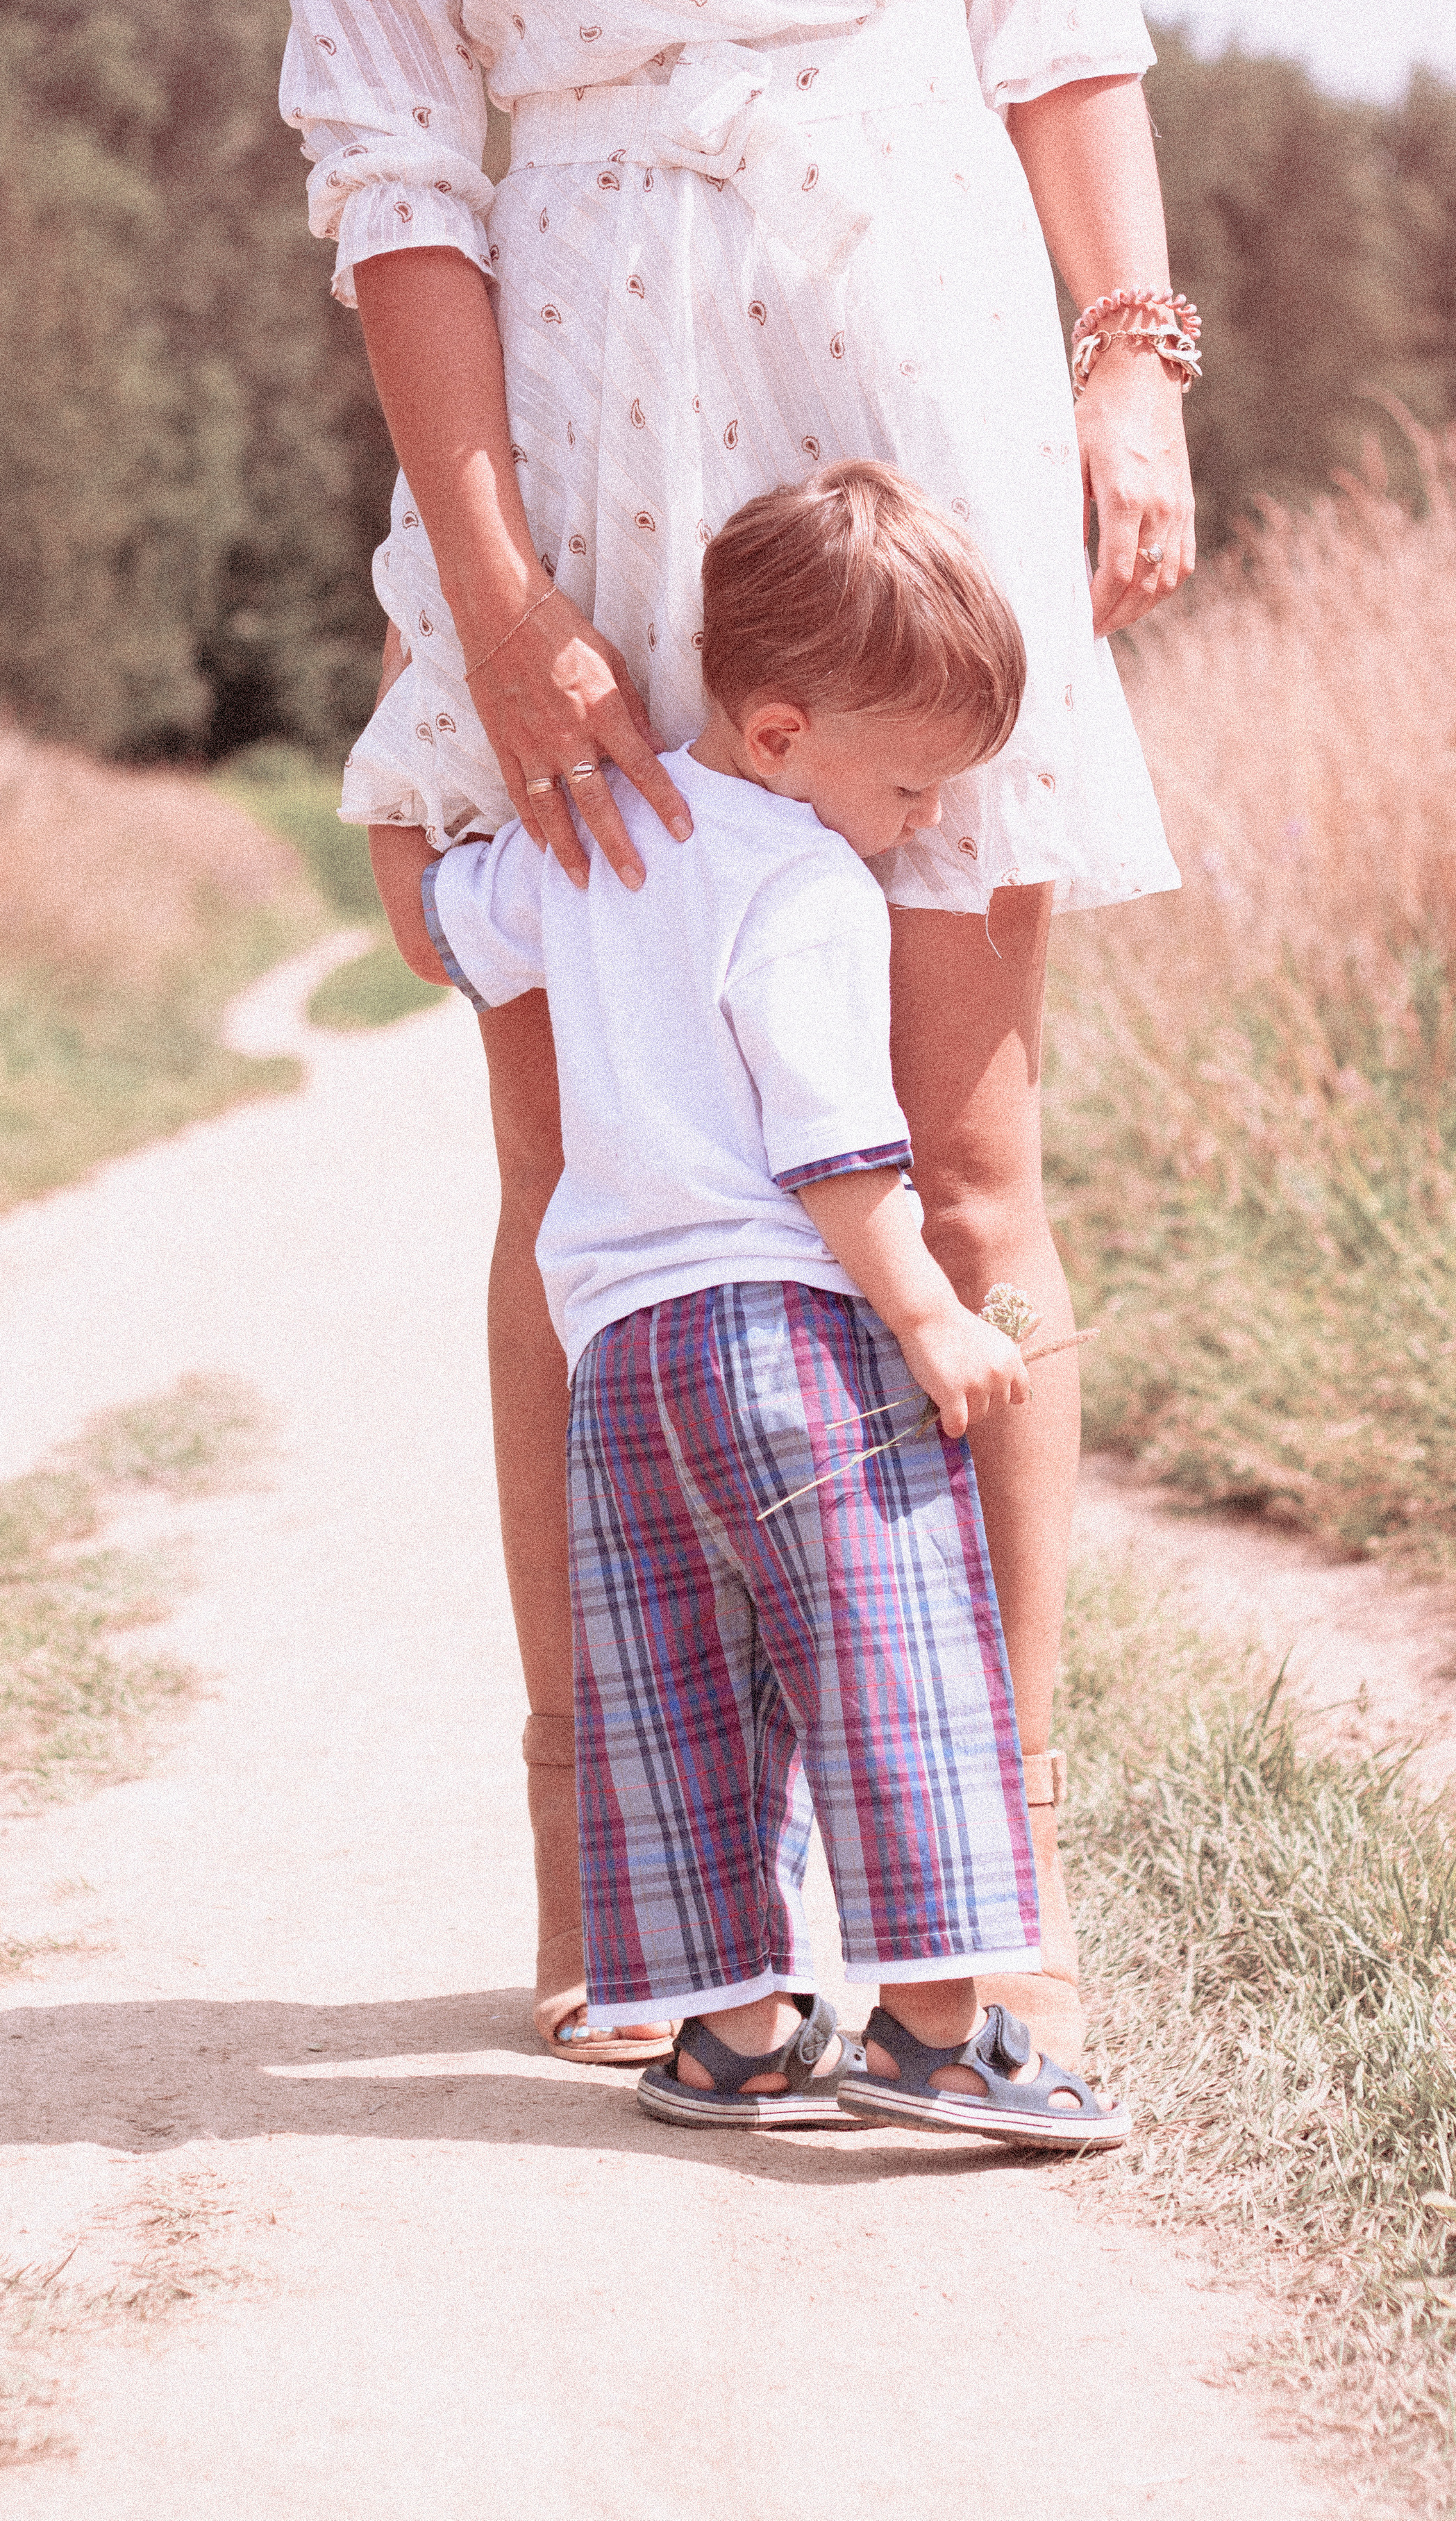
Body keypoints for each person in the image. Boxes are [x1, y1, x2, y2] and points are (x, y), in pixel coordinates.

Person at [279, 0, 1194, 2066]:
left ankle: (1000, 1880)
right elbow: (395, 166)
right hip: (581, 407)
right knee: (581, 1175)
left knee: (964, 1166)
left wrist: (1132, 362)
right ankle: (622, 1864)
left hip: (918, 339)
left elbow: (1051, 8)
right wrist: (493, 600)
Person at [379, 464, 1130, 2149]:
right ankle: (938, 2032)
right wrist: (933, 1318)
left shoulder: (595, 835)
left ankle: (724, 2030)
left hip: (617, 1356)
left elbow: (435, 931)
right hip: (778, 1336)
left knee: (672, 1684)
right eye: (912, 783)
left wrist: (400, 736)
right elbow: (835, 1152)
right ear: (783, 735)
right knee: (890, 1649)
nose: (926, 820)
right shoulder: (806, 886)